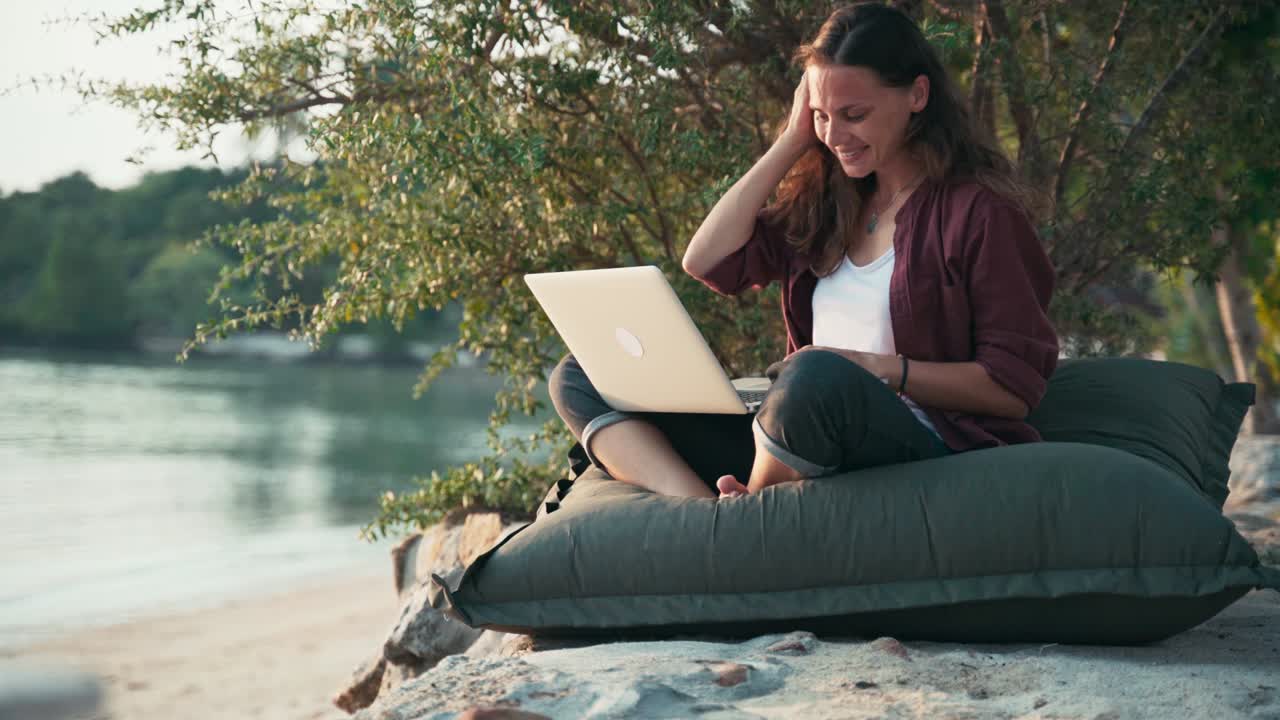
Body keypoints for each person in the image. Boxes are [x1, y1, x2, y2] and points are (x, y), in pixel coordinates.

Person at [548, 2, 1059, 500]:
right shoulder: (831, 201)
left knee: (812, 376)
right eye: (821, 115)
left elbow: (1012, 388)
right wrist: (793, 138)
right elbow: (706, 261)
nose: (835, 136)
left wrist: (880, 368)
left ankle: (749, 513)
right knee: (583, 371)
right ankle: (701, 516)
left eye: (854, 114)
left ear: (917, 95)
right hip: (792, 431)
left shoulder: (980, 213)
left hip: (904, 437)